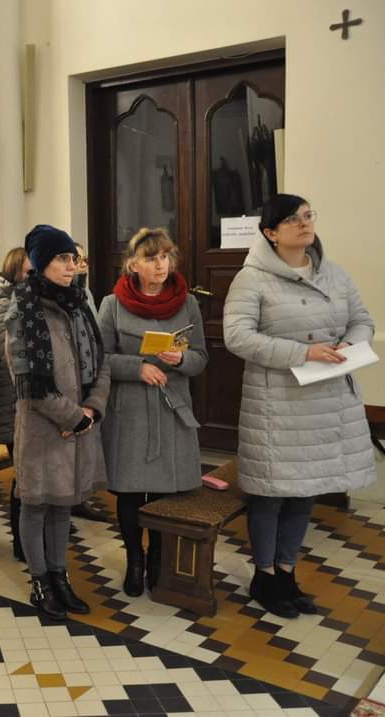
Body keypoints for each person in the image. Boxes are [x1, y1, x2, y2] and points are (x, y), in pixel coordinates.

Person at [223, 194, 376, 618]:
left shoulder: (334, 273)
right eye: (292, 219)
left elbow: (363, 320)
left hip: (325, 399)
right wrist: (303, 352)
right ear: (271, 233)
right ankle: (265, 575)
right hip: (278, 403)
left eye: (308, 215)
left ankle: (287, 572)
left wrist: (349, 345)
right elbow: (237, 337)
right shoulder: (251, 279)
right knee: (271, 493)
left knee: (305, 491)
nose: (305, 224)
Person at [6, 225, 110, 621]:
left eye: (74, 259)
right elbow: (28, 382)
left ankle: (60, 576)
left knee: (64, 505)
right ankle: (40, 580)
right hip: (42, 427)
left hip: (79, 424)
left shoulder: (80, 303)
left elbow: (102, 362)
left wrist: (91, 410)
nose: (72, 266)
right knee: (36, 505)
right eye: (62, 259)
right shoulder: (23, 310)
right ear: (40, 263)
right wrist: (73, 417)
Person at [97, 228, 208, 597]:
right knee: (130, 493)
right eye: (151, 258)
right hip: (130, 411)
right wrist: (137, 368)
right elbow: (99, 359)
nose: (161, 265)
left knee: (164, 492)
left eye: (165, 256)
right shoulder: (112, 304)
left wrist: (181, 360)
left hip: (171, 408)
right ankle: (135, 559)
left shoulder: (187, 302)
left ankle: (159, 558)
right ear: (133, 264)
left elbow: (201, 358)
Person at [0, 247, 30, 561]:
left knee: (36, 473)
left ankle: (37, 532)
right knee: (24, 475)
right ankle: (22, 542)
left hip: (31, 402)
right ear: (16, 271)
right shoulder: (0, 305)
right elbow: (13, 355)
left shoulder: (32, 300)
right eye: (30, 271)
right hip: (12, 405)